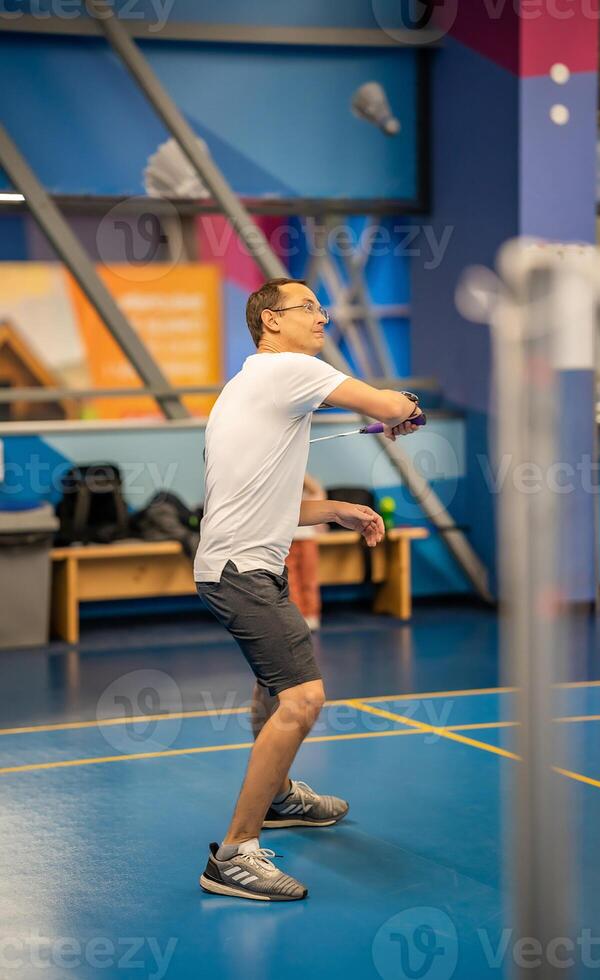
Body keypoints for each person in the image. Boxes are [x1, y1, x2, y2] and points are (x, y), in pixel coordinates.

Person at [194, 277, 423, 902]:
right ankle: (235, 854)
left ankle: (282, 797)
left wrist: (337, 511)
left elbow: (261, 497)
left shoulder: (251, 386)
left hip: (238, 563)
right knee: (302, 698)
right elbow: (386, 405)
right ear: (270, 320)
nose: (322, 317)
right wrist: (406, 405)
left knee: (274, 686)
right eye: (309, 307)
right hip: (243, 571)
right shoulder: (289, 369)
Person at [286, 473, 327, 631]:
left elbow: (318, 492)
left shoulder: (309, 494)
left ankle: (312, 615)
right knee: (291, 581)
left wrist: (300, 473)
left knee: (309, 578)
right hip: (287, 540)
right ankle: (298, 617)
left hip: (307, 539)